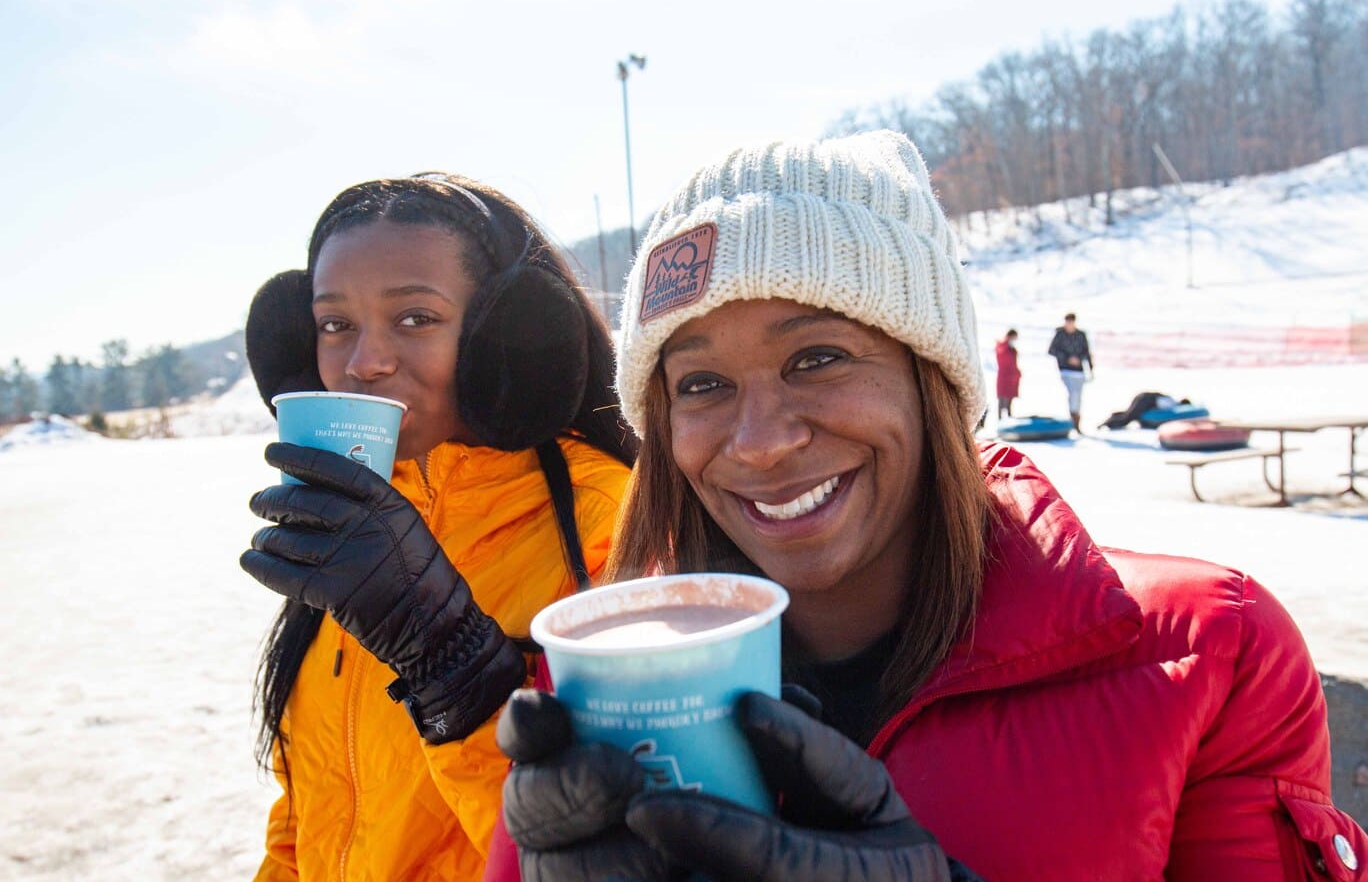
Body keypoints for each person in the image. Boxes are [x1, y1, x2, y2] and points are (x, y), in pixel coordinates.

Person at [489, 132, 1366, 881]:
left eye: (818, 358)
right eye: (703, 383)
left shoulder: (1206, 654)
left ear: (932, 380)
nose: (758, 441)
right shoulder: (599, 682)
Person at [238, 173, 636, 881]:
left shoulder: (608, 522)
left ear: (501, 338)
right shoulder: (348, 523)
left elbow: (607, 850)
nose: (364, 363)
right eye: (335, 325)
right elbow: (306, 819)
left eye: (416, 318)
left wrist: (451, 661)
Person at [1048, 312, 1092, 432]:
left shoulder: (1081, 335)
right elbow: (1052, 350)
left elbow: (1087, 352)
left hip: (1079, 371)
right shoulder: (1060, 334)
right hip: (1065, 370)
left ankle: (1076, 421)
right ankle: (1071, 421)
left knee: (1077, 396)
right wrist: (1067, 358)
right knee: (1072, 395)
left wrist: (1088, 367)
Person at [994, 327, 1020, 419]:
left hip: (1012, 378)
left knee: (1009, 401)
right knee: (1002, 400)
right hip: (1004, 377)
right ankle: (1000, 420)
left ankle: (1009, 419)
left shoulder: (1012, 349)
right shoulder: (1003, 347)